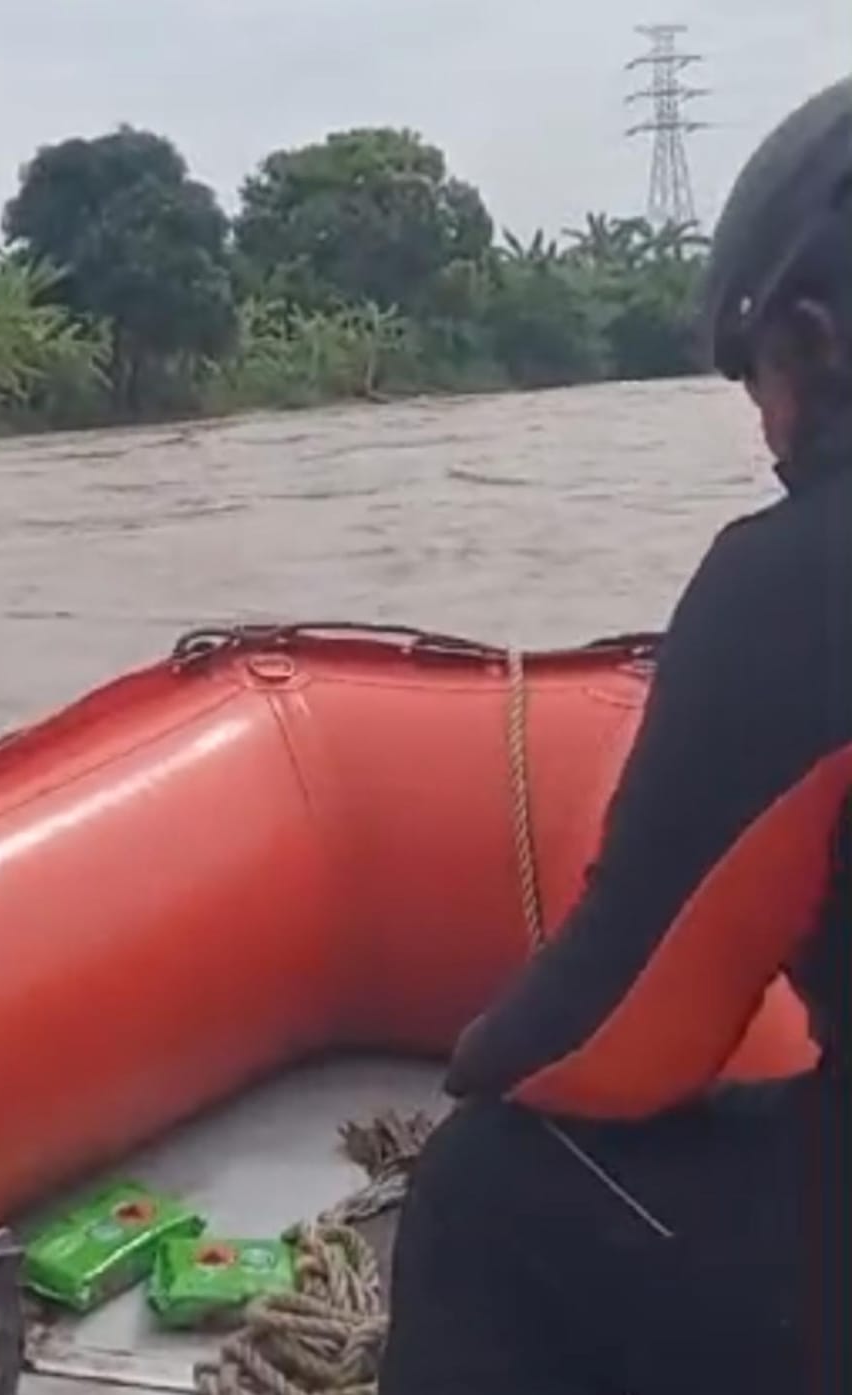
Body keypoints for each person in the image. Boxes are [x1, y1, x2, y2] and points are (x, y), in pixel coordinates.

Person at [377, 75, 852, 1395]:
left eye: (757, 384)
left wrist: (482, 1060)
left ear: (813, 338)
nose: (766, 437)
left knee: (487, 1191)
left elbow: (605, 1043)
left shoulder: (800, 576)